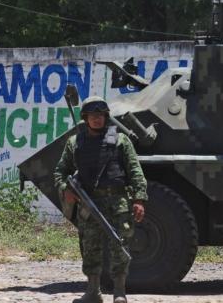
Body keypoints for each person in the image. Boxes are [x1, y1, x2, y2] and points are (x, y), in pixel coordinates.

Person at [55, 96, 148, 303]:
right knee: (90, 248)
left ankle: (119, 292)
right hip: (90, 203)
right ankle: (93, 292)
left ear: (106, 117)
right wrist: (65, 190)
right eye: (93, 116)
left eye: (101, 115)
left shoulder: (121, 141)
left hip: (118, 202)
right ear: (85, 118)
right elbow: (60, 173)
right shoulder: (75, 143)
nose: (97, 119)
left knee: (120, 246)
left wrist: (139, 199)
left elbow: (135, 172)